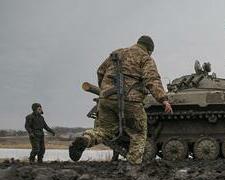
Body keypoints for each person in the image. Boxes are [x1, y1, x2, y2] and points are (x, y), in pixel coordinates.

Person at [69, 35, 173, 165]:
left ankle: (86, 139)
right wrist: (163, 99)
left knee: (105, 131)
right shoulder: (146, 58)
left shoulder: (117, 53)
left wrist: (105, 90)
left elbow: (100, 71)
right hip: (130, 100)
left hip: (106, 98)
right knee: (138, 134)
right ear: (150, 49)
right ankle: (133, 167)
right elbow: (152, 79)